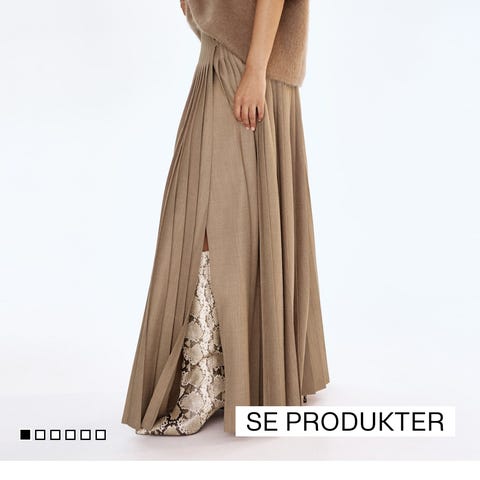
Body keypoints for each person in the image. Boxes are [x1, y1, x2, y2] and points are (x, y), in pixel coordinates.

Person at [121, 0, 330, 436]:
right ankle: (236, 374)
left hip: (249, 63)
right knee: (228, 213)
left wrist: (255, 70)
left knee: (209, 217)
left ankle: (206, 380)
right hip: (225, 55)